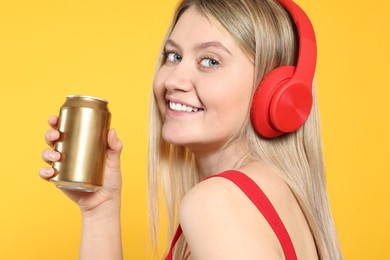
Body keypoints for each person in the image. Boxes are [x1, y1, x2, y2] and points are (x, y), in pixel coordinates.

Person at [39, 0, 342, 259]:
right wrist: (99, 211)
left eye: (210, 61)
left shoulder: (217, 203)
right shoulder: (272, 199)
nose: (174, 80)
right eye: (173, 56)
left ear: (274, 91)